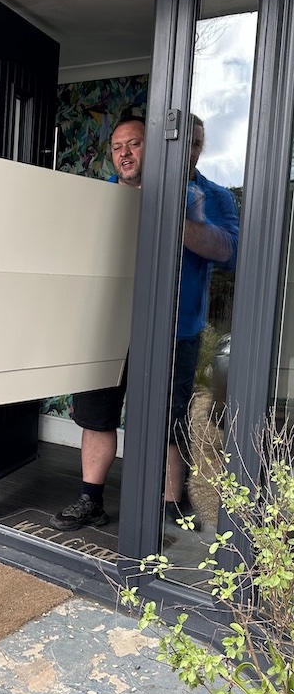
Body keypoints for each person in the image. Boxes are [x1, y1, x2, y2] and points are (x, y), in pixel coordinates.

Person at [49, 114, 238, 533]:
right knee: (96, 416)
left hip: (173, 331)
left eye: (133, 144)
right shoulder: (100, 197)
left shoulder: (211, 196)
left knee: (169, 419)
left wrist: (174, 214)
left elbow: (229, 252)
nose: (124, 154)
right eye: (117, 147)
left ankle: (172, 505)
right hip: (106, 328)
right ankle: (91, 500)